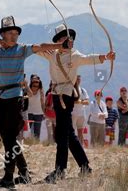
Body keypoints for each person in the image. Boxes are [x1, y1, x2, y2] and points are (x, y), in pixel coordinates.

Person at [0, 16, 71, 188]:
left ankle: (9, 177)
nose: (15, 35)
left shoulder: (22, 49)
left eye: (16, 32)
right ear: (3, 34)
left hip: (15, 98)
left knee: (9, 139)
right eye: (10, 33)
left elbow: (41, 47)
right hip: (1, 99)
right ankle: (23, 172)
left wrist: (60, 46)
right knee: (10, 139)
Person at [36, 24, 115, 183]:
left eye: (69, 37)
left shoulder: (75, 55)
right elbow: (38, 48)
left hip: (66, 96)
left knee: (62, 134)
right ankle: (85, 166)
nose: (69, 40)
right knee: (68, 134)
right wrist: (57, 47)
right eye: (64, 37)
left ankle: (60, 170)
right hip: (57, 95)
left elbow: (89, 58)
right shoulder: (53, 53)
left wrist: (106, 57)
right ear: (59, 40)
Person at [26, 74, 45, 140]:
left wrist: (44, 112)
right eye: (34, 81)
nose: (36, 83)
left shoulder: (41, 90)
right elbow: (30, 94)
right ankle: (28, 142)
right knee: (27, 130)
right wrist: (27, 85)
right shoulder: (28, 89)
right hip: (29, 112)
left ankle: (36, 144)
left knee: (37, 132)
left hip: (39, 113)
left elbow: (42, 102)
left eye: (37, 81)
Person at [72, 75, 89, 145]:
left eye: (79, 79)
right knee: (72, 131)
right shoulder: (71, 89)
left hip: (81, 113)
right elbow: (71, 101)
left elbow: (87, 102)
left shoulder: (83, 90)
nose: (78, 81)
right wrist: (81, 101)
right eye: (77, 79)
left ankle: (80, 146)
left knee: (80, 131)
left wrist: (80, 101)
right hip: (73, 113)